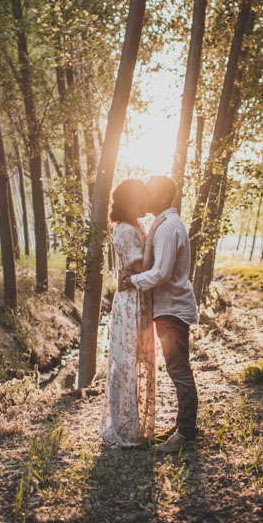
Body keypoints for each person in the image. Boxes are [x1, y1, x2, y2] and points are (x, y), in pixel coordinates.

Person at [118, 176, 199, 454]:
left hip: (172, 309)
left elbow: (161, 274)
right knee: (178, 368)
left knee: (179, 370)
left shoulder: (167, 228)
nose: (146, 198)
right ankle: (183, 427)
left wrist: (131, 281)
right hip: (168, 308)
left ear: (163, 197)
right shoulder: (164, 225)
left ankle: (187, 433)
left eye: (150, 194)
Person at [100, 179, 162, 447]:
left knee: (139, 361)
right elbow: (140, 266)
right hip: (131, 303)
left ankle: (135, 425)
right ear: (129, 201)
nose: (146, 203)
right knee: (126, 363)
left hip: (141, 298)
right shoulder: (125, 229)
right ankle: (124, 428)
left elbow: (141, 268)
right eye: (141, 198)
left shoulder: (138, 225)